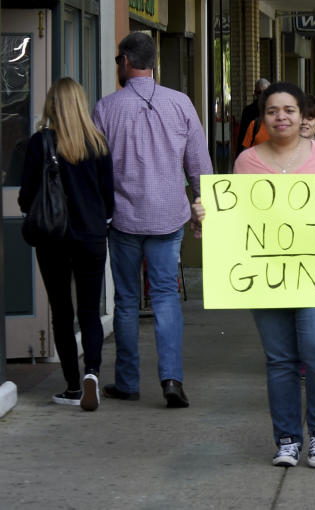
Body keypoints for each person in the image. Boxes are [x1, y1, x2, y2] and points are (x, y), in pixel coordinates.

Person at [191, 82, 315, 469]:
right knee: (280, 360)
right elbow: (234, 220)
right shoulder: (246, 162)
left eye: (288, 110)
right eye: (272, 110)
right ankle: (288, 438)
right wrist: (208, 218)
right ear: (262, 117)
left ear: (302, 115)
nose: (281, 117)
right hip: (267, 275)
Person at [93, 32, 213, 408]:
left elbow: (95, 170)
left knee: (128, 301)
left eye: (118, 62)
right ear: (153, 63)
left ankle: (127, 382)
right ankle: (172, 379)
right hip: (168, 217)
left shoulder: (106, 108)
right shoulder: (180, 104)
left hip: (123, 219)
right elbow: (199, 164)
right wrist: (202, 206)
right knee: (165, 297)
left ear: (126, 62)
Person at [18, 78, 114, 411]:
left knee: (62, 312)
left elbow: (26, 195)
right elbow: (108, 196)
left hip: (53, 238)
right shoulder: (97, 143)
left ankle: (73, 387)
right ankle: (92, 374)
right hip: (91, 237)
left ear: (51, 106)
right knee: (89, 311)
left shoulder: (39, 143)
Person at [237, 78, 270, 157]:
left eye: (265, 92)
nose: (262, 96)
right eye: (259, 93)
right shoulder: (248, 112)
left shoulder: (276, 111)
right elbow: (242, 138)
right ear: (255, 93)